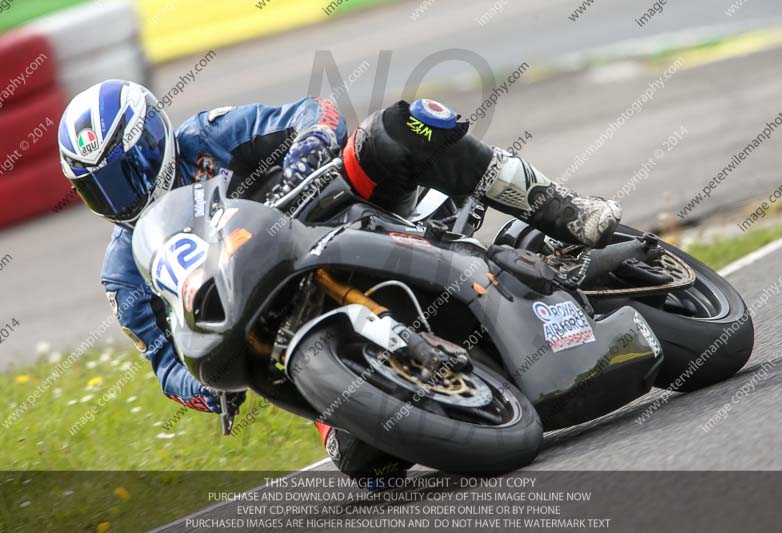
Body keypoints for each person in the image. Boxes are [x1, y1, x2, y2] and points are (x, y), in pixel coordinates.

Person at [58, 80, 620, 484]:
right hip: (285, 325)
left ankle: (562, 208)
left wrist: (307, 148)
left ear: (155, 136)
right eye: (100, 187)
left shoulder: (209, 136)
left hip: (330, 214)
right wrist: (207, 388)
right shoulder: (125, 268)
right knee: (366, 466)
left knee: (401, 128)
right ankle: (447, 381)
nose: (122, 193)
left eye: (129, 168)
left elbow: (315, 111)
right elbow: (164, 362)